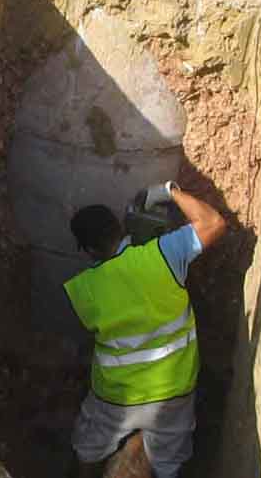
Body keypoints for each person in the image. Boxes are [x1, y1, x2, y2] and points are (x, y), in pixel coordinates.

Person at [64, 181, 227, 478]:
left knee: (87, 447)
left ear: (88, 250)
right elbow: (213, 222)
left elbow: (96, 334)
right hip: (173, 389)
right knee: (169, 461)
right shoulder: (163, 255)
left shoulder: (85, 289)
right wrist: (170, 191)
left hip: (117, 398)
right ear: (121, 229)